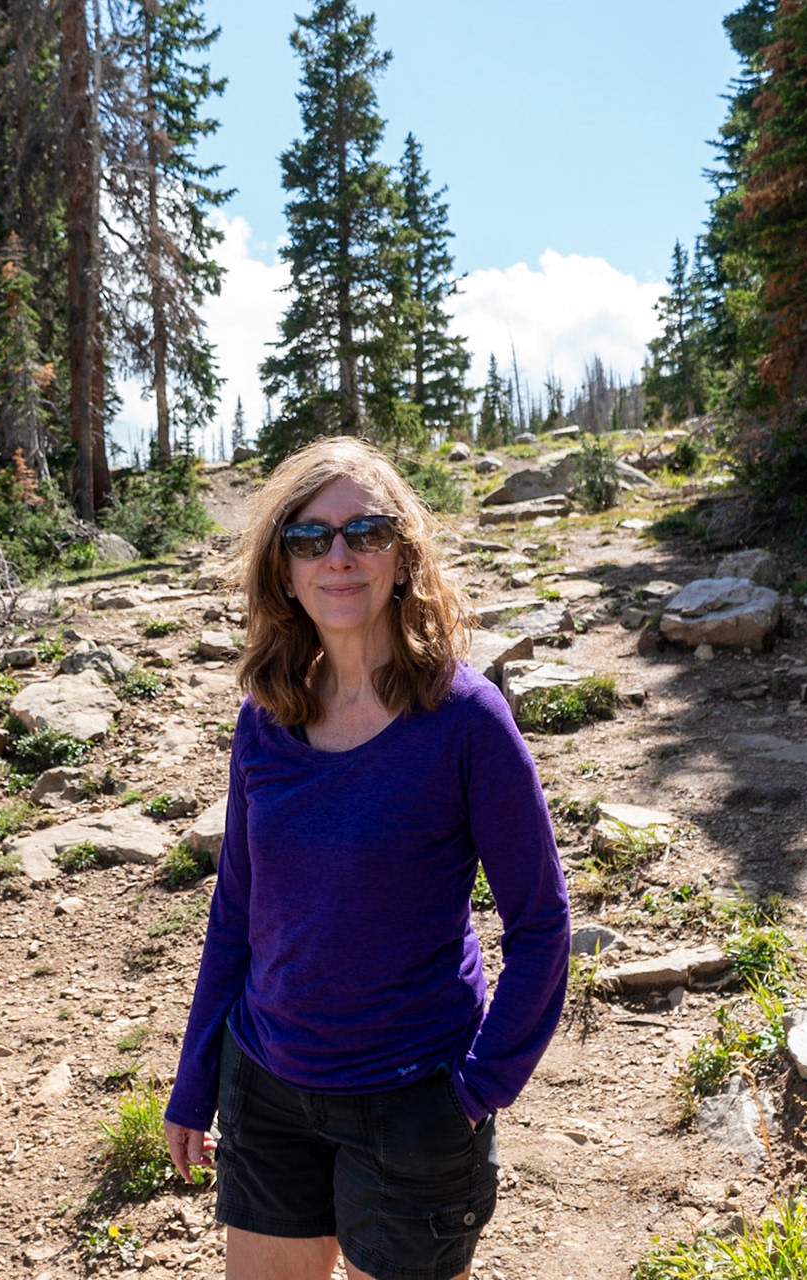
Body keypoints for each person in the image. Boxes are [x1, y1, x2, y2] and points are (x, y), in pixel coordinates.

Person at [162, 436, 571, 1280]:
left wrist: (476, 1092)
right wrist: (196, 1078)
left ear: (403, 555)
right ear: (282, 569)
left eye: (366, 533)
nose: (338, 557)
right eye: (309, 539)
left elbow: (541, 923)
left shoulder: (467, 720)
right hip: (268, 1086)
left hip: (413, 1096)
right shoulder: (265, 718)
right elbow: (237, 909)